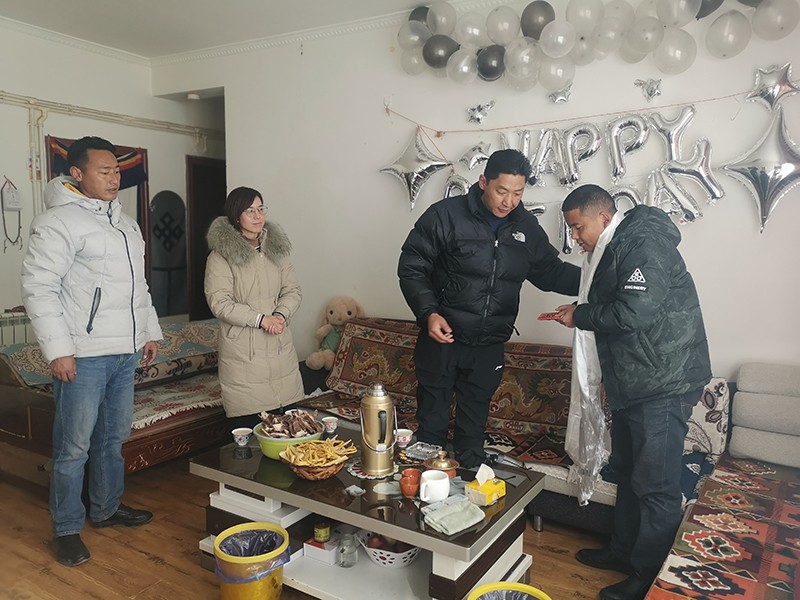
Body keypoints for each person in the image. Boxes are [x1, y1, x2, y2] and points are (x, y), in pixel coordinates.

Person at [556, 184, 711, 600]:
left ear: (604, 218)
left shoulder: (642, 243)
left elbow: (634, 312)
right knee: (626, 472)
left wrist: (580, 315)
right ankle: (622, 552)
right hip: (636, 381)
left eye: (578, 227)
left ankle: (647, 576)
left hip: (664, 383)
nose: (575, 237)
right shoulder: (613, 247)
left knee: (655, 485)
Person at [21, 136, 162, 567]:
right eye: (104, 171)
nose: (113, 178)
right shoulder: (58, 222)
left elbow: (138, 287)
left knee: (112, 439)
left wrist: (149, 332)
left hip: (124, 351)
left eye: (117, 171)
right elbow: (39, 288)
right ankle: (66, 529)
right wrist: (59, 351)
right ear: (77, 174)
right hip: (83, 354)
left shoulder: (125, 223)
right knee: (72, 448)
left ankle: (106, 508)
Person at [397, 149, 580, 469]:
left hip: (488, 345)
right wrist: (429, 313)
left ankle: (468, 492)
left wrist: (598, 280)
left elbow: (551, 273)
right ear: (483, 182)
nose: (509, 201)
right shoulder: (445, 215)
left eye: (518, 193)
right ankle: (424, 492)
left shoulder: (526, 228)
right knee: (431, 433)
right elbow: (412, 267)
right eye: (501, 191)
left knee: (472, 439)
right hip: (443, 338)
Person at [204, 186, 304, 431]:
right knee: (252, 436)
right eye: (250, 211)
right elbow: (220, 302)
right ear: (236, 216)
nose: (258, 216)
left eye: (261, 209)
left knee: (292, 432)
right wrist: (261, 319)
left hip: (280, 348)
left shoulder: (276, 251)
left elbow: (293, 291)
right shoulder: (220, 257)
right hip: (244, 354)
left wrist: (280, 315)